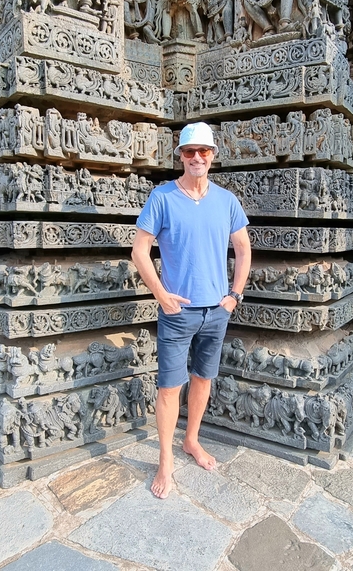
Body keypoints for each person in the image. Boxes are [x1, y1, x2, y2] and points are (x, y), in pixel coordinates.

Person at [131, 121, 251, 498]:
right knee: (169, 387)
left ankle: (192, 440)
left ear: (213, 155)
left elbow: (244, 250)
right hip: (177, 312)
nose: (196, 157)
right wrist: (161, 295)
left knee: (203, 378)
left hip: (217, 310)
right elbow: (139, 250)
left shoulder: (226, 201)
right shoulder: (163, 197)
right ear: (180, 156)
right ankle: (165, 460)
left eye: (203, 151)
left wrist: (235, 294)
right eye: (189, 151)